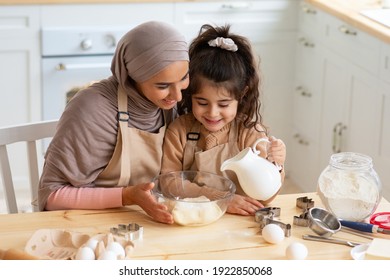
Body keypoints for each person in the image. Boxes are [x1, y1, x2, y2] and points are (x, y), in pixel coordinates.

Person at [38, 21, 189, 224]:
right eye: (163, 85)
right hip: (91, 224)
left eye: (184, 78)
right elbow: (51, 196)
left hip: (153, 221)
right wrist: (125, 196)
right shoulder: (92, 110)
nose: (178, 96)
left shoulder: (179, 103)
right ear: (132, 77)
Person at [161, 24, 286, 216]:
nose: (212, 113)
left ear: (241, 95)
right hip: (194, 219)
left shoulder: (249, 133)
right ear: (189, 93)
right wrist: (221, 199)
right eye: (202, 102)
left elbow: (265, 197)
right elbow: (169, 183)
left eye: (224, 104)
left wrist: (276, 165)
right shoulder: (180, 131)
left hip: (239, 225)